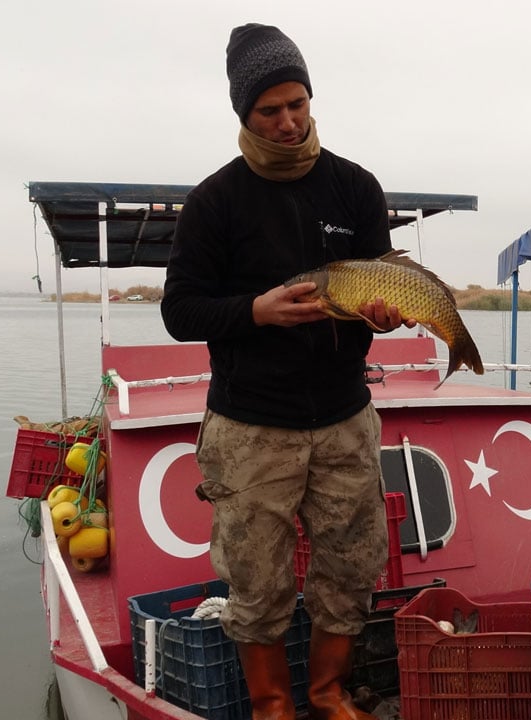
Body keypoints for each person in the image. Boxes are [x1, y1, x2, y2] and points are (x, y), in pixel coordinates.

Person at [161, 23, 412, 720]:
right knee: (256, 577)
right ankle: (272, 706)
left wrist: (381, 316)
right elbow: (179, 310)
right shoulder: (215, 201)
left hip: (343, 417)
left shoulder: (355, 188)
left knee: (352, 563)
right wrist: (256, 311)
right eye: (270, 110)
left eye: (297, 103)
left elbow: (377, 286)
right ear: (245, 114)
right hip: (250, 425)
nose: (288, 122)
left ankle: (328, 693)